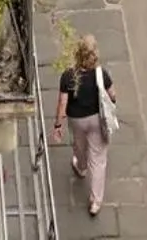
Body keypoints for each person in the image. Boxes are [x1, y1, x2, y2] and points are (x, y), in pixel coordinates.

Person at [54, 34, 116, 218]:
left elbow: (62, 103)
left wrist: (58, 125)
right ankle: (96, 201)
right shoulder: (101, 74)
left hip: (77, 120)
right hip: (97, 119)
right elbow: (112, 95)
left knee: (79, 146)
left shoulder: (68, 76)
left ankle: (80, 167)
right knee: (98, 159)